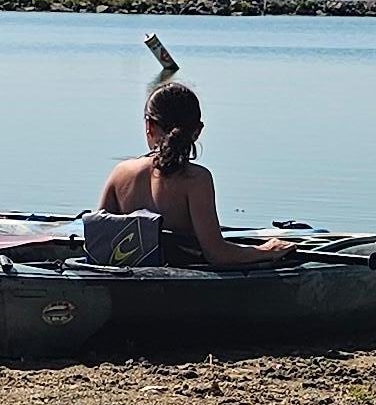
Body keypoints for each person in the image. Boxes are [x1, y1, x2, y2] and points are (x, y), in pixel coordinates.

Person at [95, 78, 302, 267]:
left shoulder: (120, 173)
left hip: (130, 281)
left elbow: (97, 238)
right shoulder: (196, 180)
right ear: (197, 131)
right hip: (177, 285)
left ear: (149, 126)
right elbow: (217, 254)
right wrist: (266, 250)